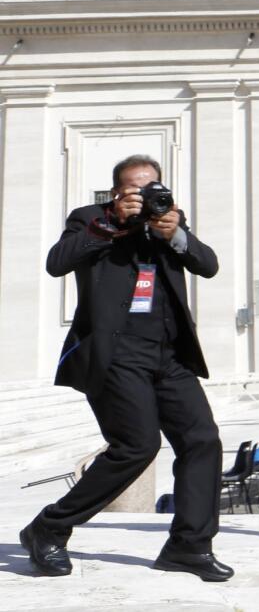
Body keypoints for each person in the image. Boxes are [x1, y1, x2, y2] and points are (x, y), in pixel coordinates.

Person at [21, 155, 230, 581]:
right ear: (117, 193)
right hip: (116, 354)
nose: (146, 197)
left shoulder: (168, 220)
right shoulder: (90, 219)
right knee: (137, 445)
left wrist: (179, 237)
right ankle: (49, 527)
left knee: (202, 439)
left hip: (169, 354)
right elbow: (57, 261)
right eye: (136, 190)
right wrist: (112, 223)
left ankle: (189, 546)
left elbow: (207, 265)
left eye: (152, 187)